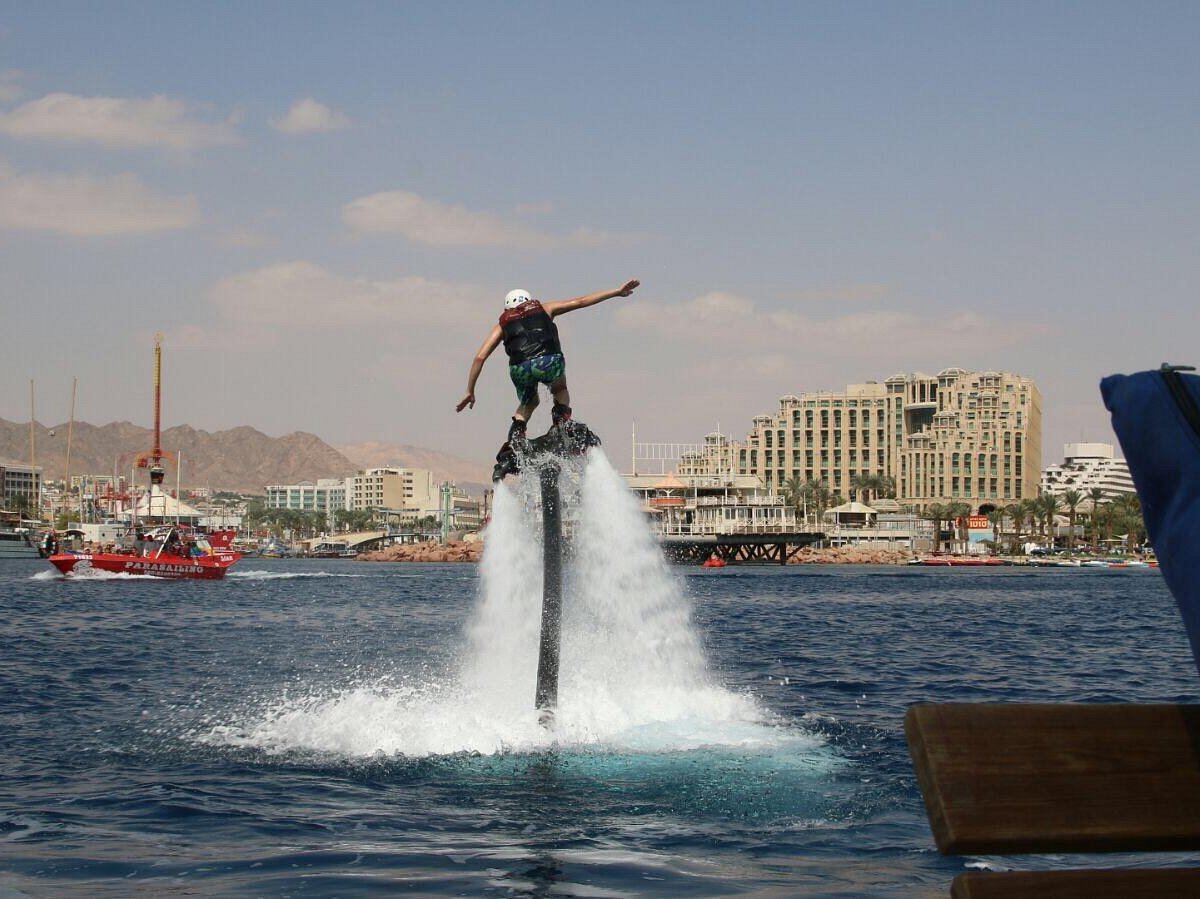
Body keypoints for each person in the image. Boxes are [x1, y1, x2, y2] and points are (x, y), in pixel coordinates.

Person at [456, 279, 641, 449]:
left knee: (529, 401)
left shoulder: (502, 325)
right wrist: (616, 292)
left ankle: (516, 435)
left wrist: (470, 390)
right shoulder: (545, 308)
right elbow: (580, 301)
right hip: (549, 361)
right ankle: (561, 421)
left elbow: (479, 357)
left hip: (520, 368)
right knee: (559, 389)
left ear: (507, 309)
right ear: (528, 301)